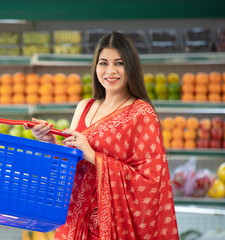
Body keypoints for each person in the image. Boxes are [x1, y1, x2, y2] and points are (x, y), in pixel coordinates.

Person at [24, 31, 179, 239]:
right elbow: (69, 169)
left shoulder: (141, 113)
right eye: (103, 63)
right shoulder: (84, 107)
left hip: (113, 227)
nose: (110, 71)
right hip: (76, 224)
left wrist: (93, 156)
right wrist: (50, 141)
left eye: (119, 63)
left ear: (131, 67)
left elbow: (150, 183)